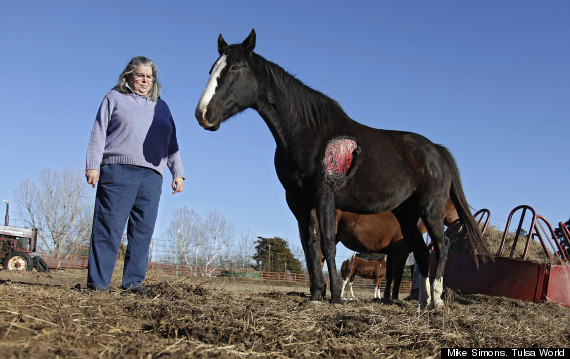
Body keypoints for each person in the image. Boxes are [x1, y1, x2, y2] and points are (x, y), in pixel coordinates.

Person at [85, 56, 185, 292]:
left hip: (152, 176)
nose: (145, 80)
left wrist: (178, 172)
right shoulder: (114, 97)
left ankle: (133, 283)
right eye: (140, 75)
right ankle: (98, 284)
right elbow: (99, 131)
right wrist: (92, 164)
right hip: (118, 171)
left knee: (142, 231)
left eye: (149, 76)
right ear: (129, 75)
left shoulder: (162, 106)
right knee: (108, 227)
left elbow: (172, 142)